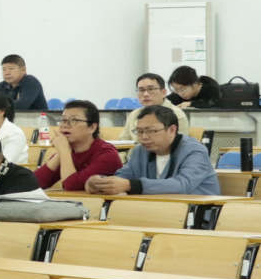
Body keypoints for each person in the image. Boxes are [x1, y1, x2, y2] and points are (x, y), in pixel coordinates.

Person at [87, 105, 220, 196]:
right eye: (139, 132)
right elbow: (123, 177)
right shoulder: (140, 151)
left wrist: (131, 185)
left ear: (172, 130)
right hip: (157, 211)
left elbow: (182, 185)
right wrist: (101, 182)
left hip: (198, 217)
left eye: (151, 131)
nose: (144, 137)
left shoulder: (194, 151)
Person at [34, 100, 122, 191]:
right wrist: (60, 153)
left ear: (92, 128)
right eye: (63, 120)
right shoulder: (68, 152)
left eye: (73, 120)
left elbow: (73, 186)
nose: (65, 125)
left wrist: (64, 151)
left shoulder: (107, 154)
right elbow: (33, 184)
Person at [120, 74, 188, 141]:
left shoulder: (177, 114)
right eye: (141, 90)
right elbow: (123, 142)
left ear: (163, 92)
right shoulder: (134, 114)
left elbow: (180, 144)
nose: (145, 94)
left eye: (151, 89)